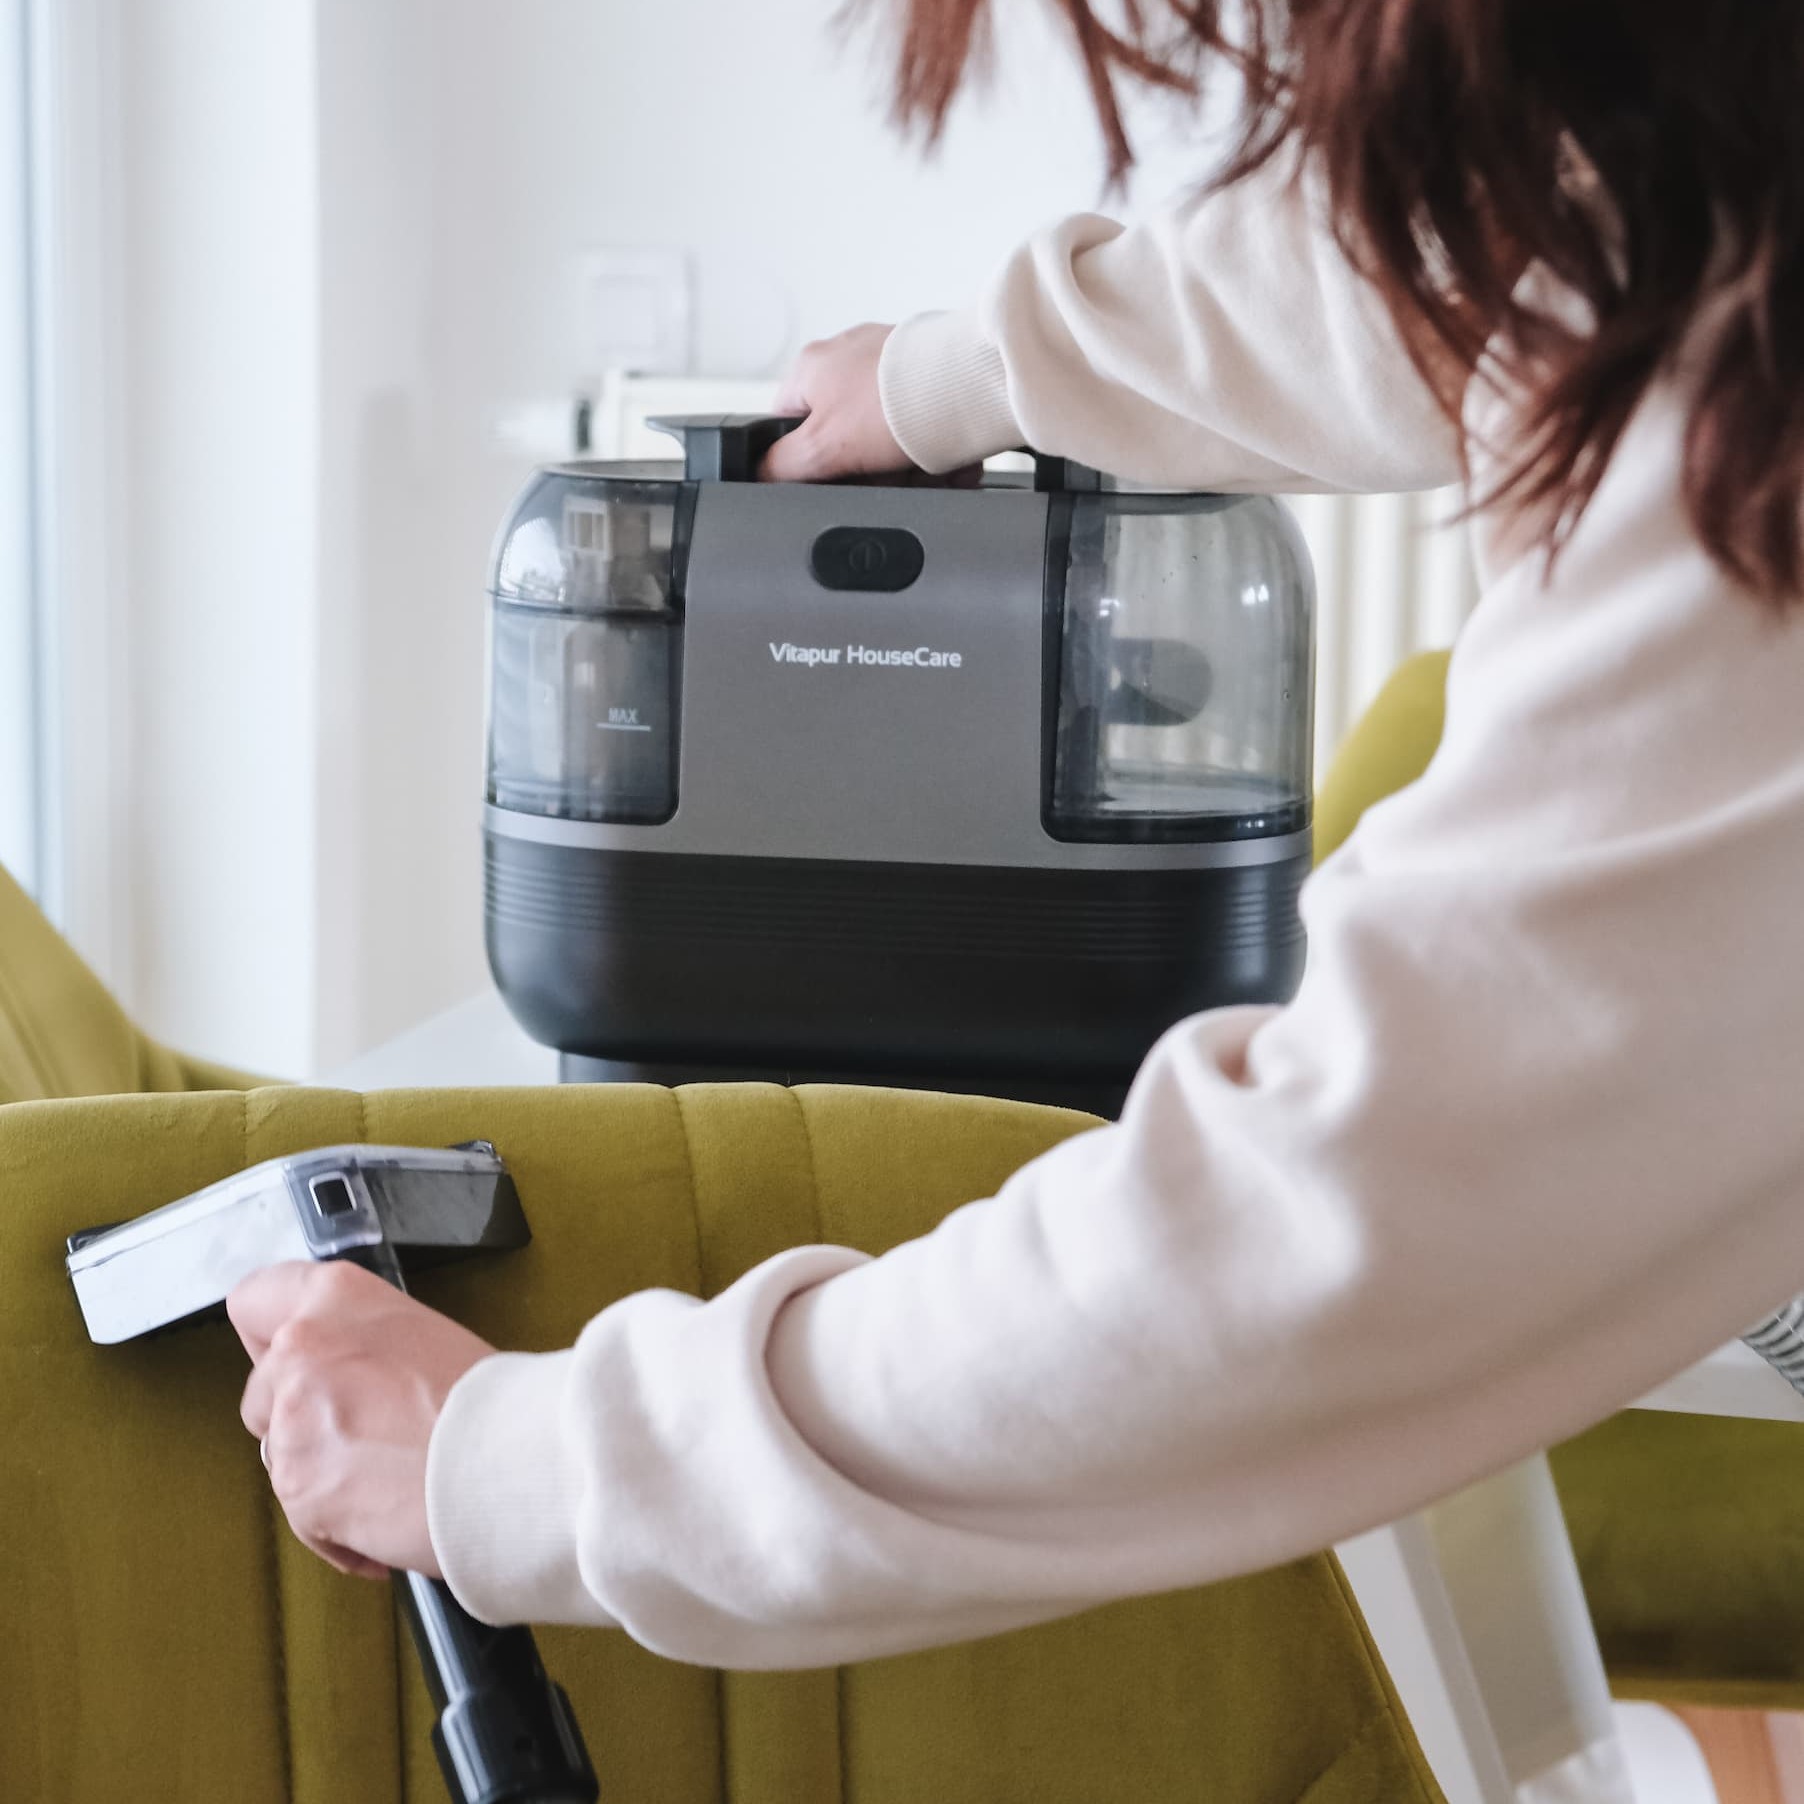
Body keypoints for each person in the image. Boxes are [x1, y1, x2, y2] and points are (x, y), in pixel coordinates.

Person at [231, 0, 1804, 1667]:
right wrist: (964, 378)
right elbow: (1481, 260)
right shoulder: (1692, 179)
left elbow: (1344, 1217)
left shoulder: (1746, 410)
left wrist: (521, 1461)